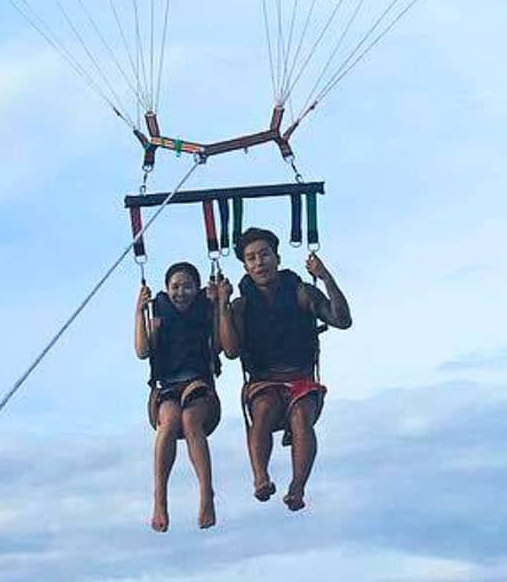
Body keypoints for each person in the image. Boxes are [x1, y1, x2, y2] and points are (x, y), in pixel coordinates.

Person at [217, 225, 351, 512]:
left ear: (277, 258)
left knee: (301, 416)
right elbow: (230, 351)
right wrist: (221, 304)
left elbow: (342, 320)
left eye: (264, 255)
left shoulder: (301, 292)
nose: (259, 263)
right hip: (263, 382)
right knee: (263, 410)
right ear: (245, 267)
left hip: (301, 380)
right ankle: (260, 478)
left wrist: (325, 277)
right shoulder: (241, 305)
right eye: (251, 258)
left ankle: (297, 488)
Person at [135, 261, 226, 532]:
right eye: (175, 287)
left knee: (189, 421)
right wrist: (139, 313)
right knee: (168, 422)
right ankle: (160, 498)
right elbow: (142, 352)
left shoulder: (205, 309)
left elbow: (220, 346)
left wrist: (219, 306)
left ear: (197, 289)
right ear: (166, 289)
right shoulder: (157, 312)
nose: (181, 292)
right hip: (167, 386)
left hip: (199, 382)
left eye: (188, 287)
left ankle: (206, 493)